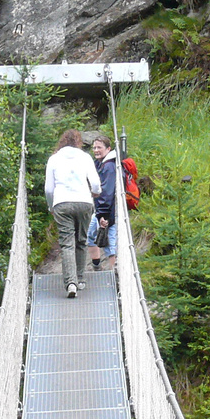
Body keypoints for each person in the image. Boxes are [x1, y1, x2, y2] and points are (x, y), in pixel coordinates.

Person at [44, 128, 100, 299]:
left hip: (62, 203)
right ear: (78, 142)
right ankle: (81, 279)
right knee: (82, 241)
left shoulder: (53, 159)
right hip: (84, 202)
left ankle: (71, 283)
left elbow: (48, 188)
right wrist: (94, 193)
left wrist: (51, 206)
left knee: (67, 243)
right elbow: (96, 184)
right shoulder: (85, 157)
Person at [88, 135, 119, 271]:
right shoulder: (99, 164)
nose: (96, 150)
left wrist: (103, 215)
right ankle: (97, 266)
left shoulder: (109, 167)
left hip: (108, 211)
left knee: (110, 241)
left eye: (99, 147)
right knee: (90, 234)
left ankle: (115, 273)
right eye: (94, 147)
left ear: (108, 148)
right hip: (100, 209)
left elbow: (107, 192)